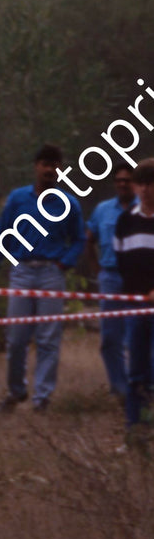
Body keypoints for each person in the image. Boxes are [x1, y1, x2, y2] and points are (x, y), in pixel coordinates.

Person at [0, 144, 85, 413]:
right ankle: (16, 391)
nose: (50, 169)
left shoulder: (69, 203)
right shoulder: (17, 199)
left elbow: (79, 239)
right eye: (45, 164)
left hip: (52, 273)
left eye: (55, 165)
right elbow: (0, 238)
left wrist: (65, 263)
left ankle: (42, 398)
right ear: (36, 166)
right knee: (16, 338)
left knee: (48, 338)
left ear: (60, 169)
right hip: (22, 272)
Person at [85, 165, 135, 399]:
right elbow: (88, 238)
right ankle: (120, 389)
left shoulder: (144, 209)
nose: (123, 184)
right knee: (110, 339)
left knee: (139, 334)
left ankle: (141, 386)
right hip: (110, 277)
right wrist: (97, 269)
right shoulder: (102, 210)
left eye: (127, 180)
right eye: (119, 180)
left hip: (139, 278)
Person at [116, 159, 154, 435]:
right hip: (134, 303)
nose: (146, 190)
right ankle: (134, 428)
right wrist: (137, 294)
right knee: (135, 369)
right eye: (142, 184)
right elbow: (122, 261)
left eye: (151, 184)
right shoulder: (125, 221)